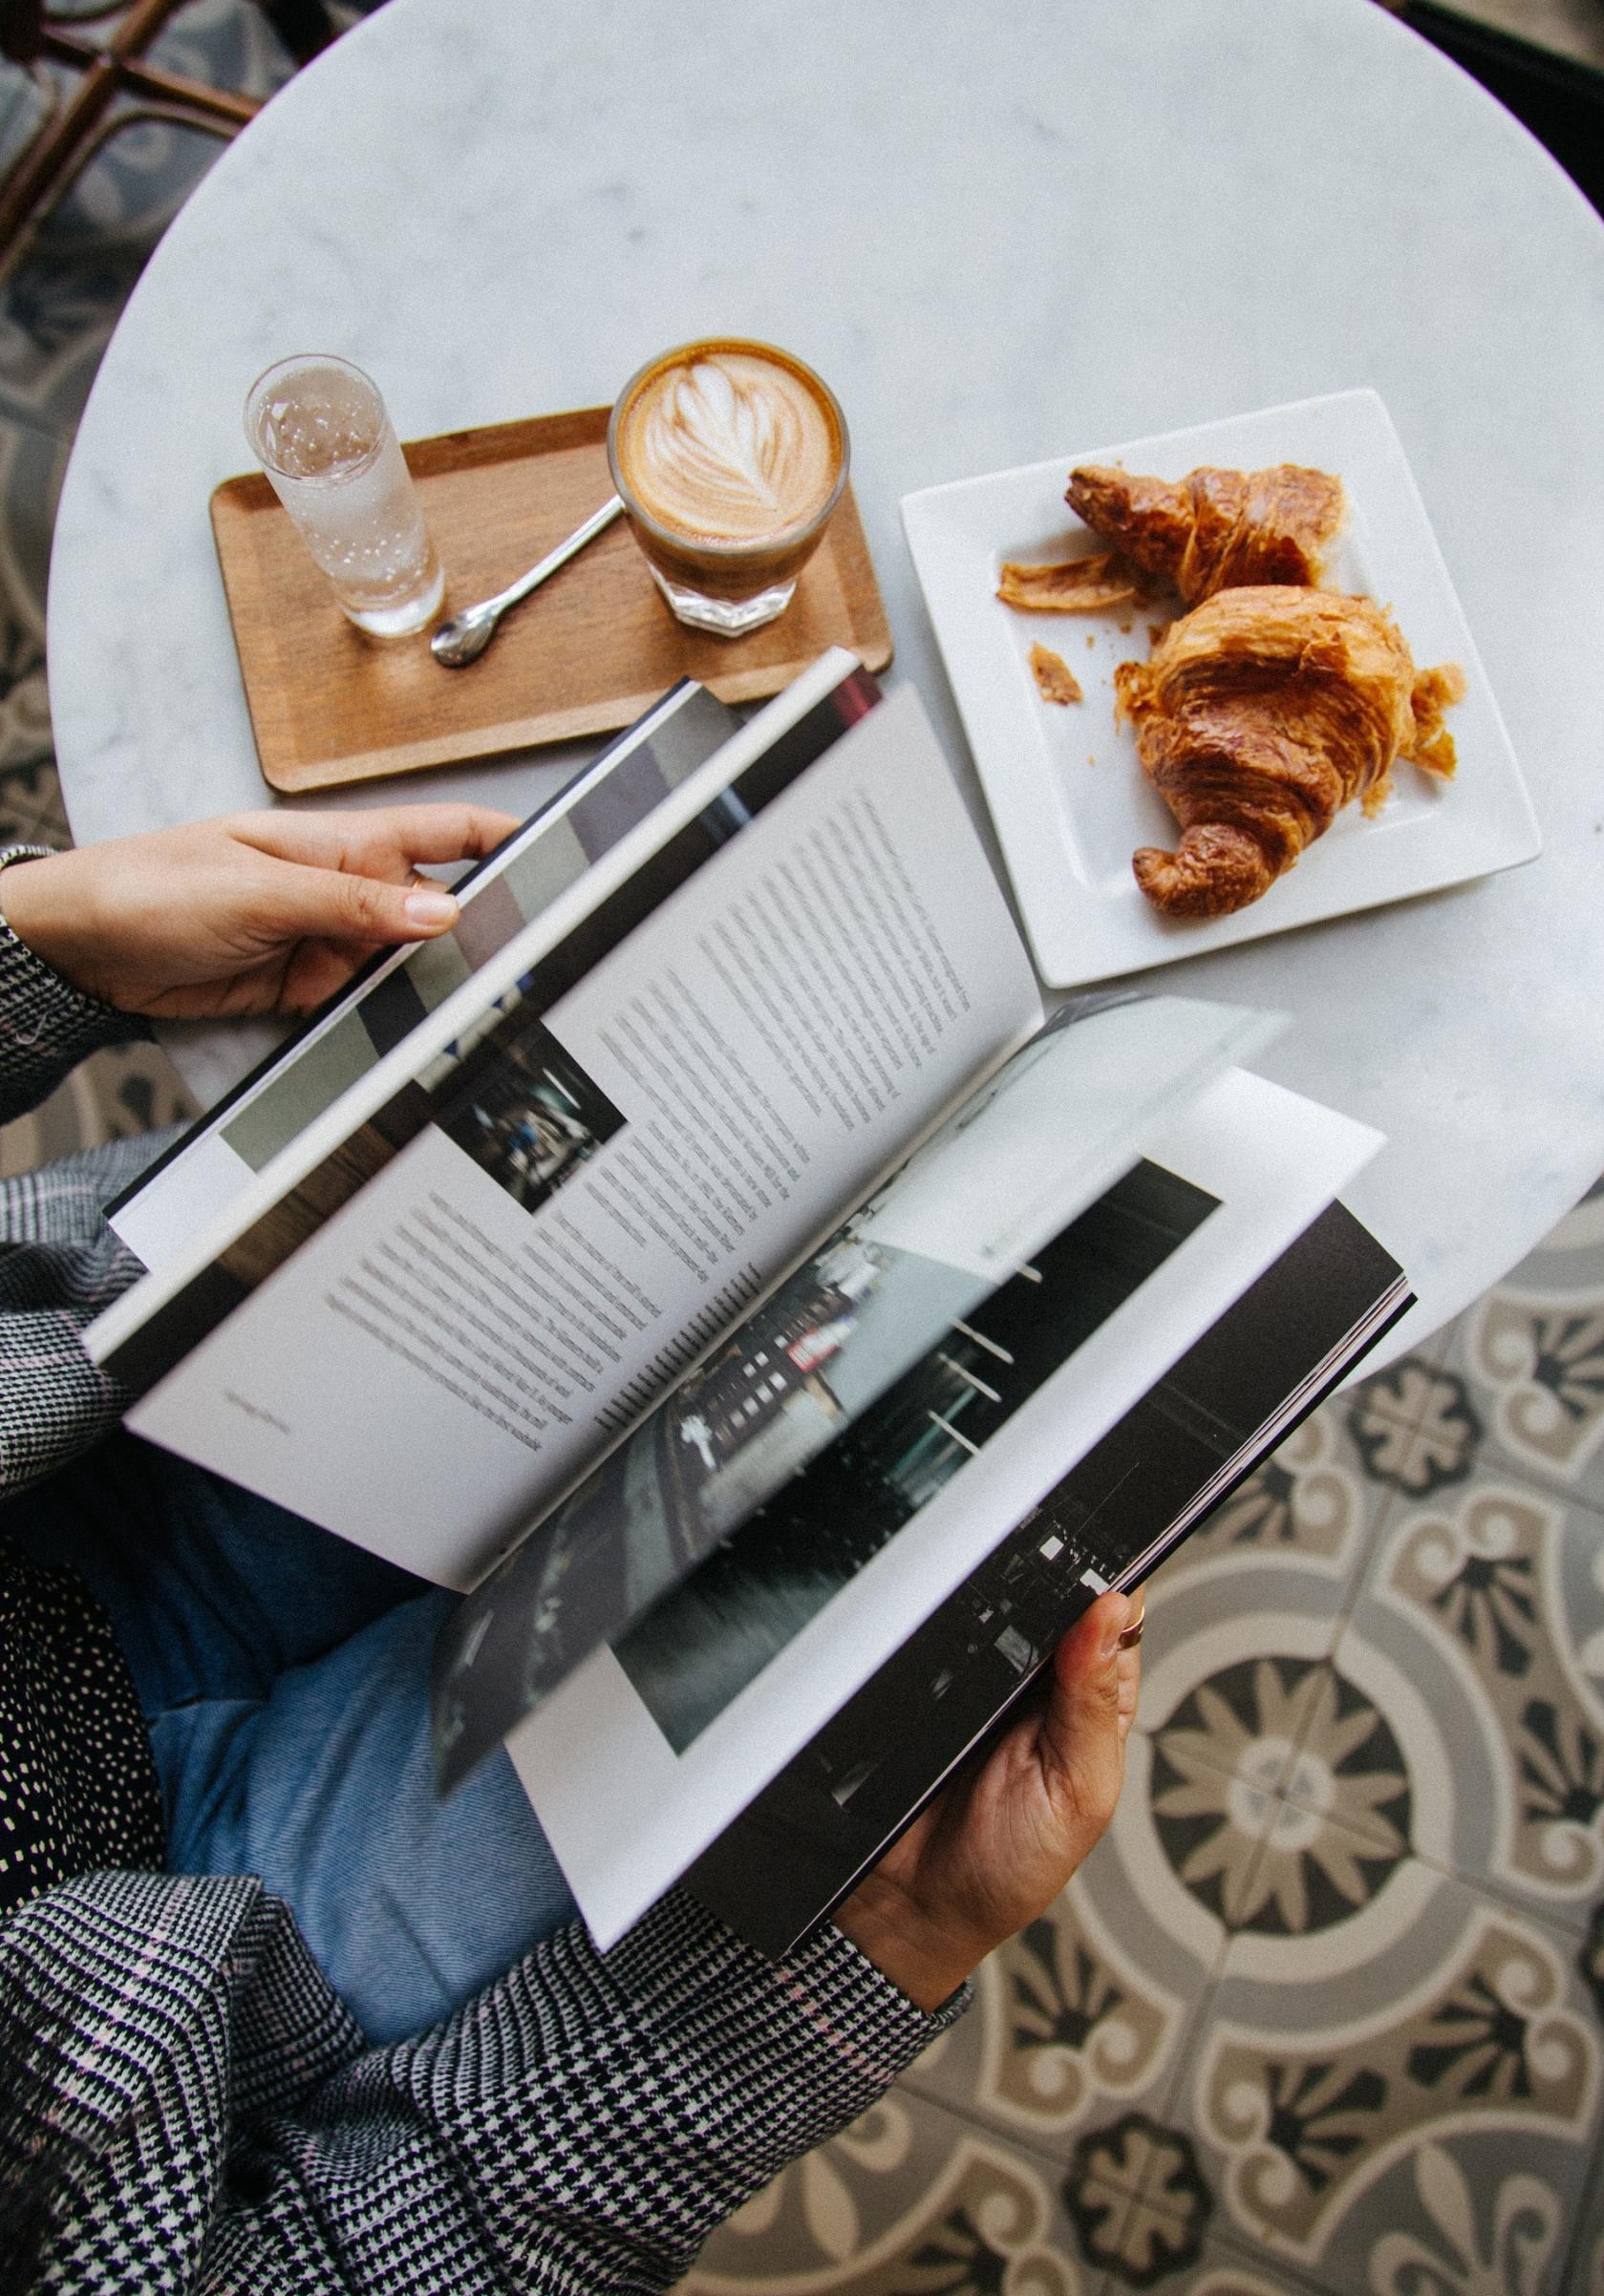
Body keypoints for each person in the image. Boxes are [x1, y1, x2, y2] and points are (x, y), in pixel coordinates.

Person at [0, 807, 1144, 2290]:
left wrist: (36, 938)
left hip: (71, 1447)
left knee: (705, 1190)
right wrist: (885, 1950)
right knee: (882, 1505)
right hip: (175, 1980)